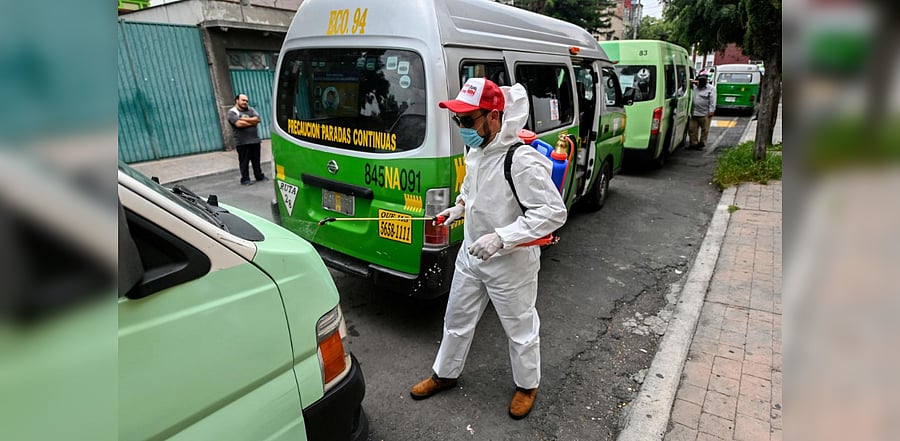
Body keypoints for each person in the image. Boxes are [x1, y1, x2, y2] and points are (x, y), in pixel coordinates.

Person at [409, 78, 567, 420]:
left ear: (494, 117)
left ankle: (527, 385)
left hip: (510, 264)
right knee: (456, 319)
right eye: (458, 120)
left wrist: (502, 237)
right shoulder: (476, 151)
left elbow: (553, 212)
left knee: (520, 329)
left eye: (467, 120)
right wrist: (459, 208)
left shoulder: (521, 160)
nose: (461, 127)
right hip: (471, 255)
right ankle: (444, 374)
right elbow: (472, 190)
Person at [227, 94, 267, 185]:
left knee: (256, 160)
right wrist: (252, 121)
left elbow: (258, 120)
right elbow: (238, 124)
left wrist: (244, 120)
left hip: (255, 141)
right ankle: (245, 179)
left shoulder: (251, 109)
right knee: (244, 162)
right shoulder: (232, 112)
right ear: (237, 100)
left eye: (246, 101)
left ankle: (259, 176)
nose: (245, 102)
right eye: (243, 100)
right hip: (242, 142)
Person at [687, 74, 716, 150]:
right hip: (694, 112)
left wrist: (711, 111)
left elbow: (712, 101)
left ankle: (702, 144)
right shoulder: (695, 87)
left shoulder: (711, 89)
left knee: (705, 130)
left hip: (705, 113)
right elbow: (686, 81)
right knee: (692, 129)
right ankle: (693, 143)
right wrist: (693, 82)